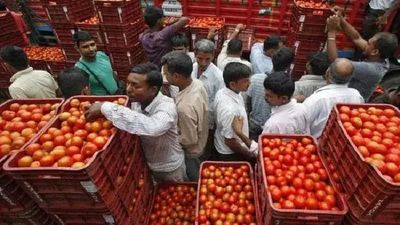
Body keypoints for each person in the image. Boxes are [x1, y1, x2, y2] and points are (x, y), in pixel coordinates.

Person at [85, 63, 187, 182]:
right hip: (149, 161)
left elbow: (153, 127)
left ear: (153, 89)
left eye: (135, 86)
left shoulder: (166, 107)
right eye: (128, 83)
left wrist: (106, 107)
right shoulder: (137, 101)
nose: (128, 89)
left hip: (169, 167)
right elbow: (132, 118)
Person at [326, 11, 399, 101]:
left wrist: (331, 32)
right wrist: (341, 19)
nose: (365, 44)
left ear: (375, 51)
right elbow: (357, 38)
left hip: (349, 101)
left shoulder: (371, 69)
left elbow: (335, 62)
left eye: (369, 43)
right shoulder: (381, 57)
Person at [161, 52, 208, 181]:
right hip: (202, 138)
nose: (164, 77)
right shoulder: (197, 84)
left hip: (192, 150)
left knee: (193, 173)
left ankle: (197, 184)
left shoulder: (184, 108)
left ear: (176, 76)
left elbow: (189, 139)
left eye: (166, 74)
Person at [303, 58, 364, 138]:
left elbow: (302, 124)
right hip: (343, 141)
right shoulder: (356, 96)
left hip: (317, 143)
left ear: (327, 73)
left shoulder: (316, 99)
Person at [244, 47, 295, 140]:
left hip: (254, 124)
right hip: (274, 129)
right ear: (289, 65)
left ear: (272, 58)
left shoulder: (255, 79)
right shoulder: (288, 86)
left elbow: (248, 102)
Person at [214, 62, 258, 161]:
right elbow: (229, 141)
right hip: (230, 152)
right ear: (233, 84)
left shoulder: (224, 92)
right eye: (246, 81)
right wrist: (246, 154)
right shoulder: (229, 110)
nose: (249, 83)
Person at [191, 39, 225, 130]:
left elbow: (219, 103)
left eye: (207, 59)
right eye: (200, 58)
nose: (203, 63)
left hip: (207, 122)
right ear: (195, 54)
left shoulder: (219, 77)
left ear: (213, 56)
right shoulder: (191, 68)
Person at [73, 31, 118, 96]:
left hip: (118, 95)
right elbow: (85, 94)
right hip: (103, 102)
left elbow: (111, 72)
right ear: (77, 48)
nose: (91, 49)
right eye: (85, 47)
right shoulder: (79, 69)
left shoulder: (102, 55)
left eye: (92, 44)